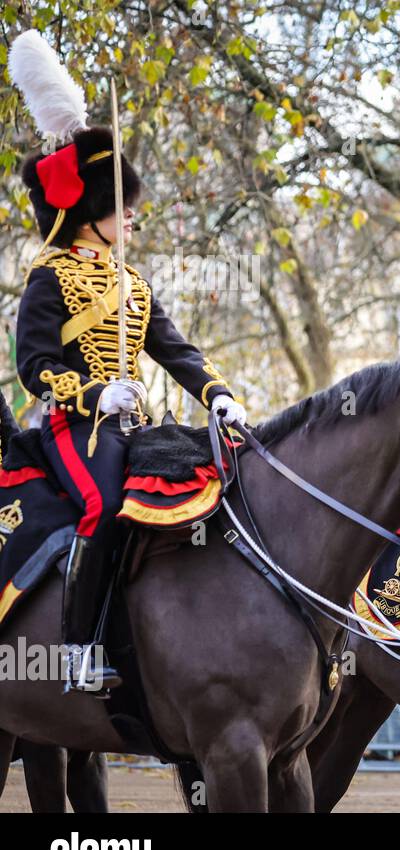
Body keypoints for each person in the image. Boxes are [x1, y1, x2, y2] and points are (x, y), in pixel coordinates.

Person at [10, 30, 244, 694]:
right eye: (122, 207)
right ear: (89, 211)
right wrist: (91, 394)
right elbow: (34, 366)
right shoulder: (47, 281)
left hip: (132, 425)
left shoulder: (133, 283)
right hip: (72, 427)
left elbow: (175, 350)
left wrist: (217, 392)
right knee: (105, 504)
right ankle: (81, 646)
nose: (134, 217)